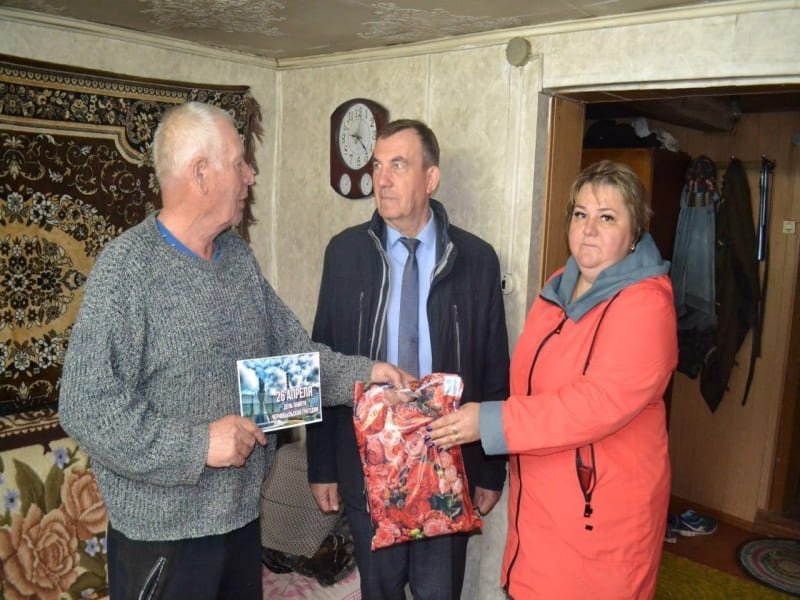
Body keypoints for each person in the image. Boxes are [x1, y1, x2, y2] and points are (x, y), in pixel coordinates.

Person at [58, 101, 406, 600]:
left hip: (242, 524)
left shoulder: (237, 259)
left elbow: (289, 363)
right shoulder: (128, 269)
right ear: (201, 173)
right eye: (240, 163)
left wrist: (367, 376)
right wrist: (199, 446)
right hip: (164, 540)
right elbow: (84, 406)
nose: (251, 175)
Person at [429, 160, 678, 599]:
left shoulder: (646, 305)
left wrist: (489, 421)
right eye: (581, 214)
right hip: (542, 507)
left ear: (635, 232)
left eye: (607, 218)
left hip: (600, 517)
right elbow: (528, 383)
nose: (589, 230)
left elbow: (593, 404)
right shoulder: (559, 285)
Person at [306, 119, 510, 599]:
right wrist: (322, 465)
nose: (382, 179)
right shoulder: (345, 254)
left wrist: (489, 467)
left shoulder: (476, 259)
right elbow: (323, 359)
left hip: (447, 465)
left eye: (398, 165)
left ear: (430, 178)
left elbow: (493, 367)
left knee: (439, 592)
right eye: (377, 166)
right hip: (368, 467)